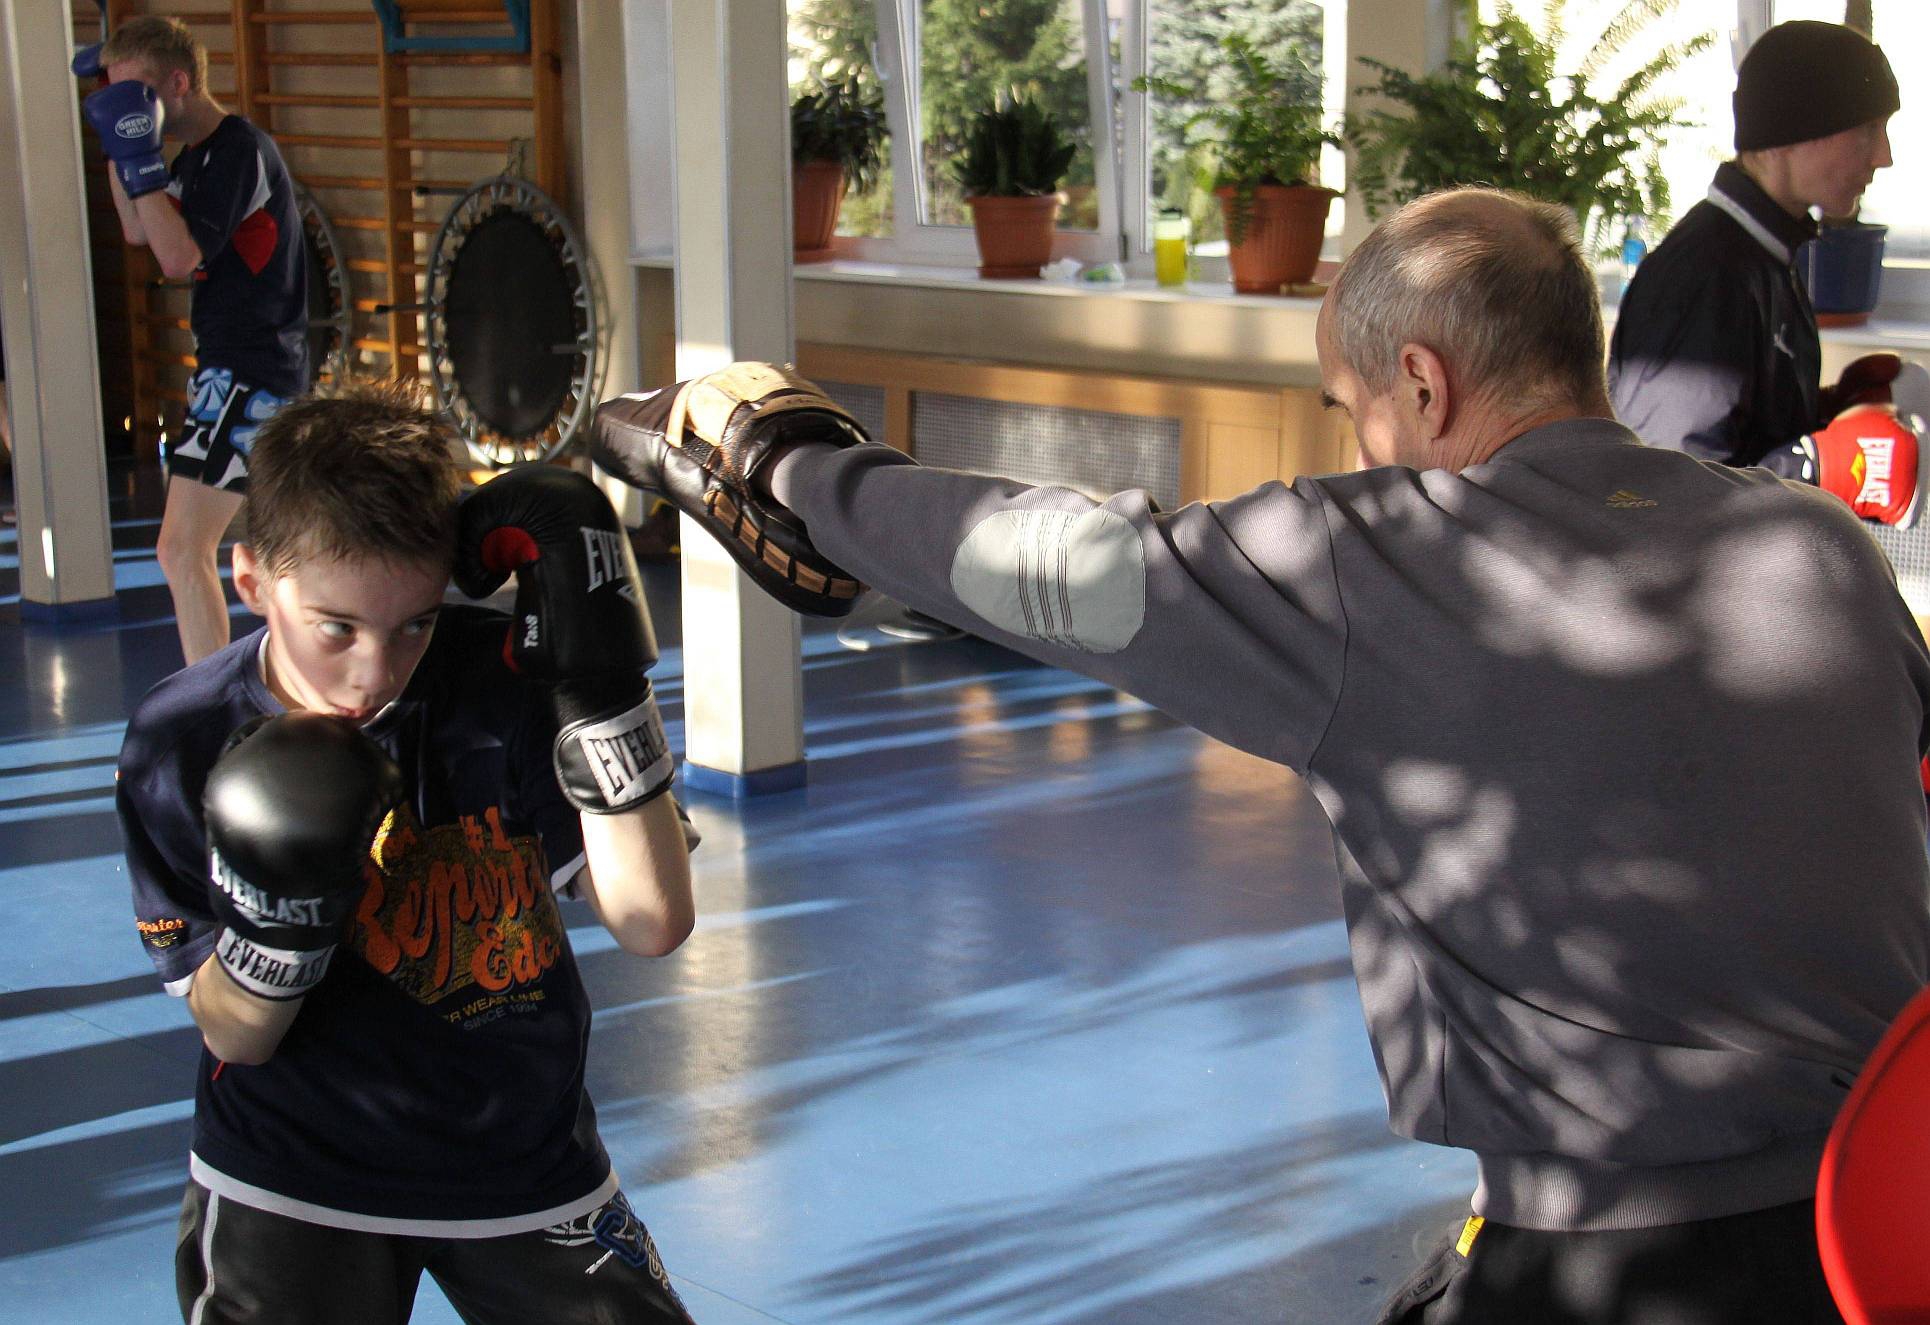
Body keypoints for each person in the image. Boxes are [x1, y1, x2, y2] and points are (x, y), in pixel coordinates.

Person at [593, 189, 1930, 1323]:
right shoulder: (1816, 544)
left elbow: (1053, 561)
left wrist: (779, 462)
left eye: (1352, 405)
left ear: (1423, 383)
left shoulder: (1386, 561)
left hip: (1618, 1263)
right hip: (1883, 1219)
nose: (1358, 443)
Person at [117, 379, 698, 1324]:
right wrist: (280, 921)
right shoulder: (179, 740)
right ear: (252, 581)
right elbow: (233, 1032)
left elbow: (653, 920)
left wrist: (599, 687)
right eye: (336, 628)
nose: (374, 672)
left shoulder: (498, 680)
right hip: (289, 1176)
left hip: (522, 1158)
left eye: (414, 622)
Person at [1609, 20, 1919, 523]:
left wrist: (1830, 412)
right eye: (1867, 129)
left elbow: (1736, 435)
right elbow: (1660, 495)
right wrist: (1814, 467)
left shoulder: (1765, 252)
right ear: (1792, 132)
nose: (1884, 156)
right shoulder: (1706, 273)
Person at [82, 16, 308, 665]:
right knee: (262, 552)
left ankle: (212, 701)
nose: (132, 110)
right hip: (230, 368)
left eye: (138, 95)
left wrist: (140, 163)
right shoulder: (194, 158)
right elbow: (139, 231)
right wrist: (118, 152)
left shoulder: (238, 150)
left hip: (254, 370)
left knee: (181, 548)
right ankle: (257, 688)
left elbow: (178, 257)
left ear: (179, 83)